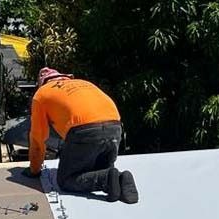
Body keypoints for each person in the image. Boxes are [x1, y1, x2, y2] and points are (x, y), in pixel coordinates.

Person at [23, 67, 139, 204]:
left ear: (42, 83)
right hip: (114, 127)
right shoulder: (84, 83)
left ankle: (107, 179)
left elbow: (38, 138)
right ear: (65, 77)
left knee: (66, 180)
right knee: (99, 170)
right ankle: (119, 178)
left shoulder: (41, 94)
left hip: (84, 132)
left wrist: (34, 170)